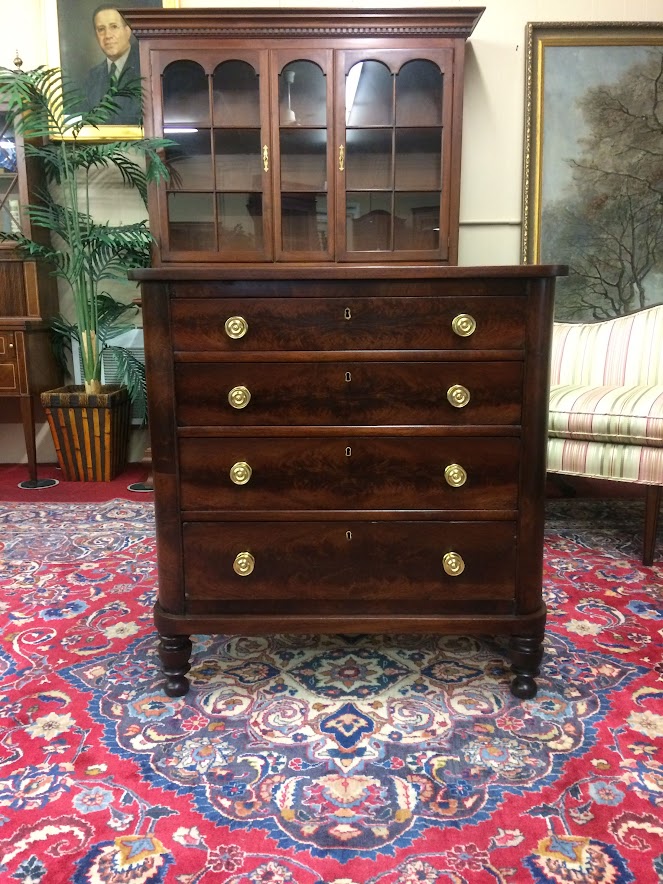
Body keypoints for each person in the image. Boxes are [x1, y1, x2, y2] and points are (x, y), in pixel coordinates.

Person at [84, 4, 141, 124]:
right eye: (101, 29)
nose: (107, 35)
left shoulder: (145, 67)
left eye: (114, 27)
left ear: (128, 31)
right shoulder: (92, 77)